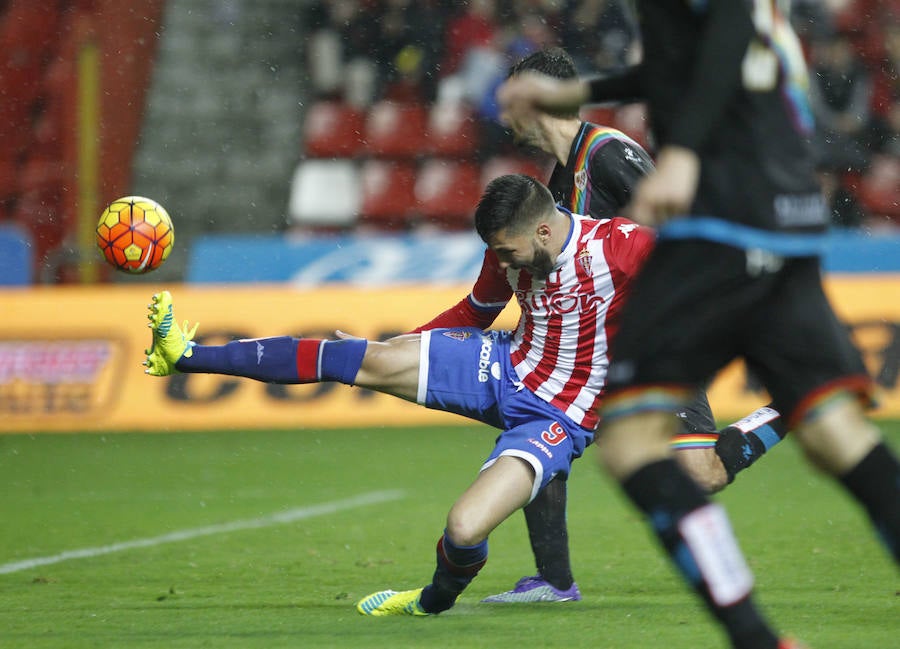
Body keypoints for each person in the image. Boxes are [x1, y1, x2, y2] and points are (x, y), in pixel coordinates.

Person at [497, 4, 900, 649]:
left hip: (723, 220)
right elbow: (689, 62)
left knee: (631, 442)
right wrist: (581, 91)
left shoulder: (614, 149)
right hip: (782, 211)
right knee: (836, 435)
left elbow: (728, 32)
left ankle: (754, 638)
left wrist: (682, 155)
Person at [143, 174, 652, 617]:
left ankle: (430, 601)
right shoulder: (509, 246)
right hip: (499, 364)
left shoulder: (621, 248)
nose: (501, 261)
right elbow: (475, 311)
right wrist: (402, 347)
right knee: (367, 358)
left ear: (543, 231)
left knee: (465, 527)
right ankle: (183, 354)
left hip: (558, 416)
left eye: (506, 252)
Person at [427, 47, 786, 605]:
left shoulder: (611, 156)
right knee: (538, 425)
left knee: (704, 473)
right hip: (593, 356)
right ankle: (553, 580)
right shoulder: (558, 181)